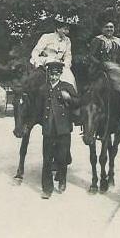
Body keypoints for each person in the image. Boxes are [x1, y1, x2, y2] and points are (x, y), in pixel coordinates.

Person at [34, 60, 80, 199]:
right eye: (52, 75)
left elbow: (79, 102)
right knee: (47, 159)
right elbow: (38, 109)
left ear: (60, 74)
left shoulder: (67, 86)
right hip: (48, 130)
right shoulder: (43, 89)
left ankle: (62, 180)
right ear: (49, 74)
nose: (54, 77)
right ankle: (47, 189)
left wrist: (69, 98)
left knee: (62, 157)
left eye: (56, 74)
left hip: (63, 129)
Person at [88, 21, 120, 125]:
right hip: (101, 68)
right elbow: (91, 56)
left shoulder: (117, 41)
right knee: (109, 86)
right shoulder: (98, 40)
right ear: (102, 28)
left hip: (115, 68)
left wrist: (119, 67)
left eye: (111, 27)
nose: (109, 29)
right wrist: (100, 63)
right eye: (107, 27)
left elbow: (119, 58)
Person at [30, 17, 76, 89]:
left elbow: (68, 55)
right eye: (65, 29)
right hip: (45, 63)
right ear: (58, 28)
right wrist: (38, 63)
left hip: (59, 65)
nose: (67, 32)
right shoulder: (46, 37)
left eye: (68, 29)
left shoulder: (67, 40)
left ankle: (70, 97)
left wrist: (66, 64)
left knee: (69, 77)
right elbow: (35, 51)